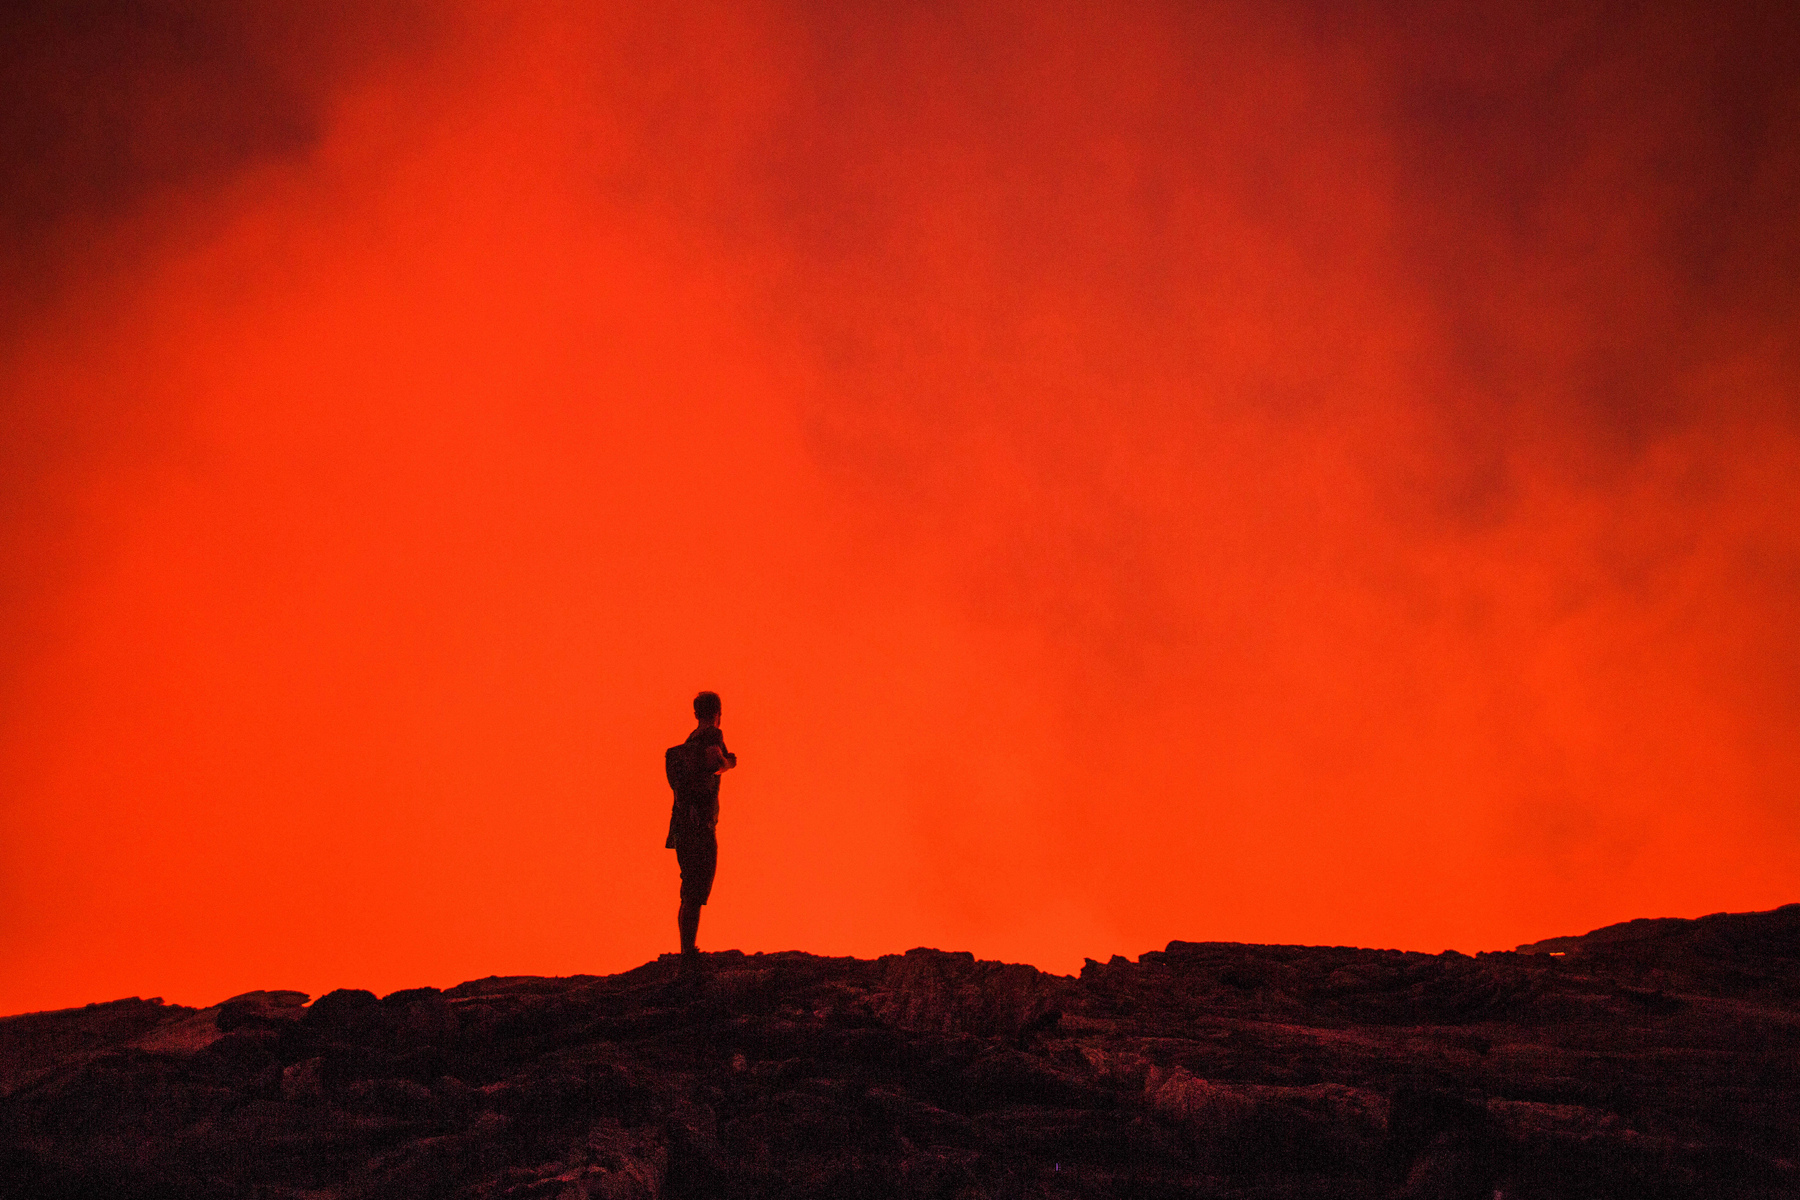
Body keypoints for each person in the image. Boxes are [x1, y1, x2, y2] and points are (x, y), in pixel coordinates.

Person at [667, 690, 737, 964]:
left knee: (689, 888)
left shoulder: (689, 741)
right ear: (718, 711)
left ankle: (687, 949)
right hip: (701, 824)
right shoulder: (711, 736)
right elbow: (714, 762)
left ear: (696, 713)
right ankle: (688, 953)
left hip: (682, 823)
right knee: (697, 886)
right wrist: (728, 763)